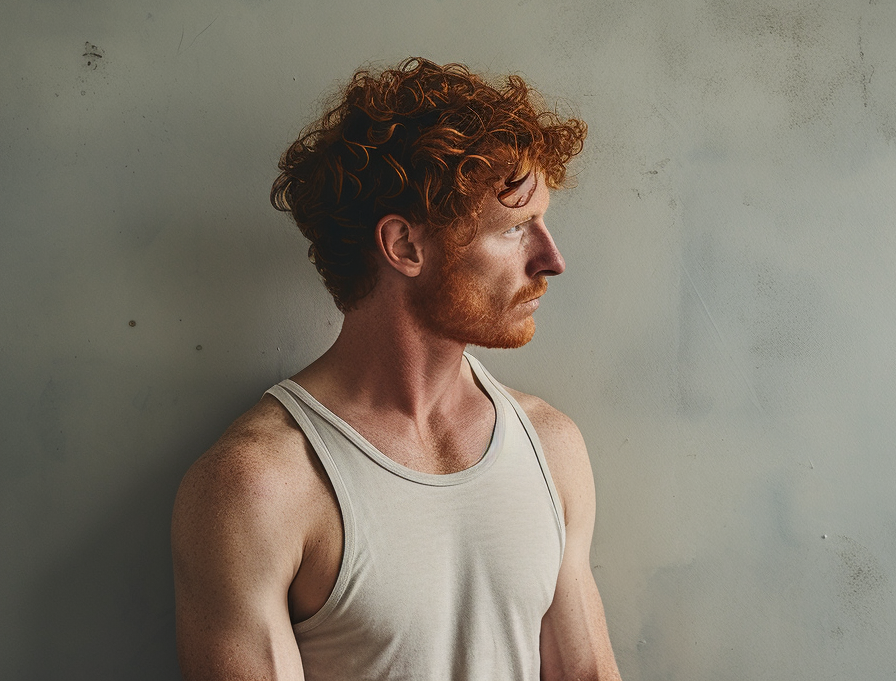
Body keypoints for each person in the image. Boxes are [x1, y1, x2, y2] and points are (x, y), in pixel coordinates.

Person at [171, 58, 621, 681]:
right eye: (516, 229)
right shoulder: (260, 485)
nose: (552, 259)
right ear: (405, 246)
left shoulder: (551, 447)